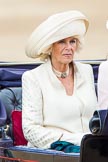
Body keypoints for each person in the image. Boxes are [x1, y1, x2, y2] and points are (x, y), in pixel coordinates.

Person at [22, 10, 97, 150]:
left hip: (90, 149)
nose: (69, 48)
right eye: (62, 42)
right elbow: (31, 130)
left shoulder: (86, 71)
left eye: (72, 41)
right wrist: (75, 140)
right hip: (52, 152)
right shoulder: (33, 77)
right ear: (50, 47)